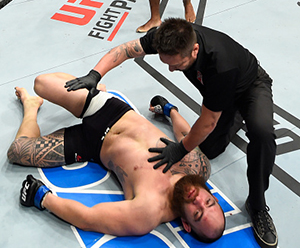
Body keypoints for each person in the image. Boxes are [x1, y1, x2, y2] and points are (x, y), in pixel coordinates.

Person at [65, 17, 278, 248]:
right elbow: (126, 50)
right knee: (208, 150)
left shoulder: (221, 65)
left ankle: (257, 205)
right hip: (219, 96)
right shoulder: (168, 36)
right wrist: (95, 75)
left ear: (195, 51)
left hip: (249, 86)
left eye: (176, 64)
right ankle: (173, 109)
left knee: (261, 132)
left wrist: (180, 149)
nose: (171, 68)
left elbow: (208, 121)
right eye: (167, 63)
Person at [7, 73, 226, 243]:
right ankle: (95, 89)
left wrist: (42, 197)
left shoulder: (149, 212)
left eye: (197, 213)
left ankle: (31, 107)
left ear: (187, 225)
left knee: (18, 151)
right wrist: (170, 110)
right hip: (111, 112)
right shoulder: (197, 168)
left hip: (92, 145)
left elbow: (88, 218)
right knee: (42, 83)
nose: (198, 199)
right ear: (214, 198)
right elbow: (185, 135)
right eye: (208, 202)